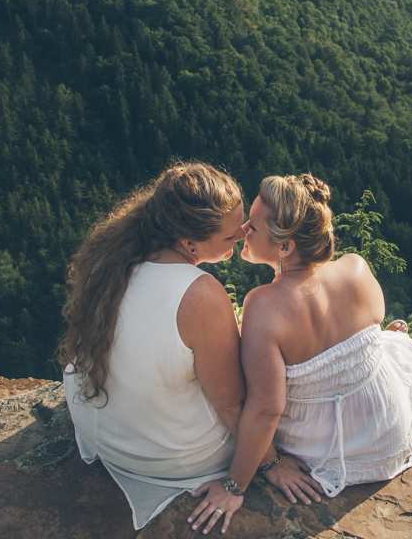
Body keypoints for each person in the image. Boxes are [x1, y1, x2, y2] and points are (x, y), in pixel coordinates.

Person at [187, 174, 412, 535]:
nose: (243, 228)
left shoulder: (262, 306)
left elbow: (266, 409)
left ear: (284, 248)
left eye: (253, 225)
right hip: (390, 429)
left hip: (329, 449)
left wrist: (240, 483)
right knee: (382, 345)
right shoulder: (356, 267)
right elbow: (361, 326)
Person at [58, 161, 277, 531]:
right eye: (231, 236)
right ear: (189, 243)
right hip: (163, 456)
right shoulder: (200, 294)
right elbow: (231, 402)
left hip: (104, 433)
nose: (242, 235)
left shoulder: (112, 263)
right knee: (276, 393)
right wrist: (271, 463)